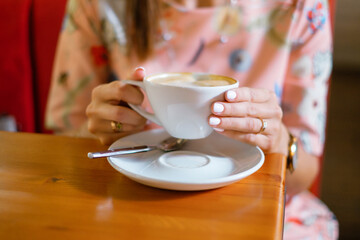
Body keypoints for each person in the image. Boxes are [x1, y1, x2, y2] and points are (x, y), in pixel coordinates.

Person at [46, 0, 338, 238]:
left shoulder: (301, 8)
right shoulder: (98, 5)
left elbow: (305, 173)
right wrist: (104, 130)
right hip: (134, 202)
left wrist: (278, 139)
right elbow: (63, 138)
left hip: (257, 210)